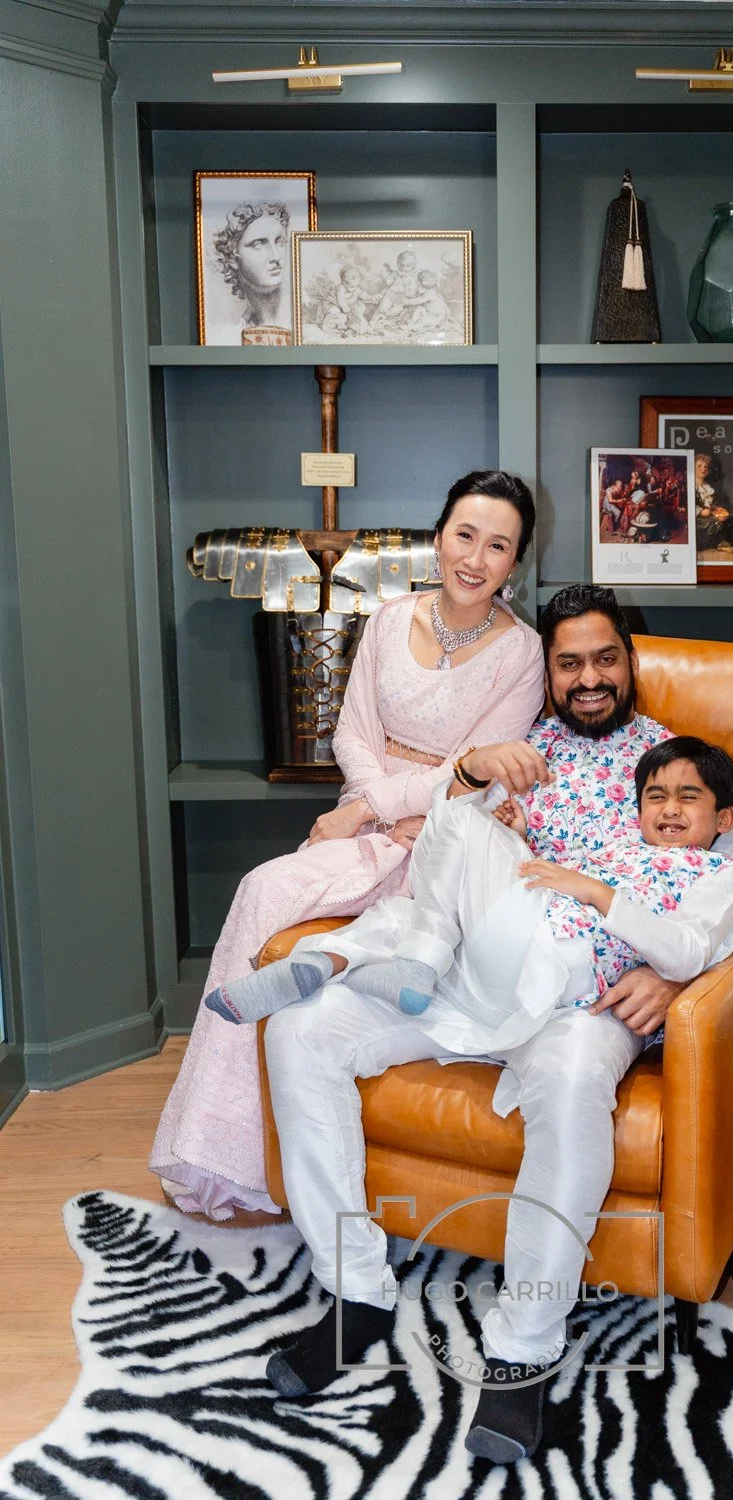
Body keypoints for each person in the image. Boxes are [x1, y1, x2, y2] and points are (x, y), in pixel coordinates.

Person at [260, 584, 733, 1463]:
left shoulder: (680, 767)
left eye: (604, 658)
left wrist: (668, 973)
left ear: (628, 663)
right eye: (568, 662)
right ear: (550, 672)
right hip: (473, 976)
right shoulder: (513, 753)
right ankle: (357, 1292)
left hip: (589, 996)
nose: (588, 678)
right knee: (298, 1032)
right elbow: (449, 856)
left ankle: (525, 1348)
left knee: (572, 1084)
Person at [150, 471, 545, 1221]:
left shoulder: (521, 653)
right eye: (465, 535)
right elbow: (351, 733)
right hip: (368, 822)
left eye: (498, 546)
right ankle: (224, 1154)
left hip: (446, 839)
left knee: (384, 928)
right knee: (264, 889)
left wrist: (403, 806)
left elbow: (479, 769)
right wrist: (369, 806)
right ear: (438, 536)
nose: (475, 557)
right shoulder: (391, 619)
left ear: (514, 564)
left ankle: (345, 985)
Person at [203, 737, 733, 1061]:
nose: (670, 809)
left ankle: (406, 964)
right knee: (410, 902)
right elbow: (556, 882)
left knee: (457, 822)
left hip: (552, 968)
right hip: (515, 945)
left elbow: (683, 952)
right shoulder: (618, 847)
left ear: (724, 818)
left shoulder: (720, 872)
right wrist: (517, 840)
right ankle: (326, 962)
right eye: (656, 797)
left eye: (689, 798)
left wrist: (597, 892)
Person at [214, 202, 292, 333]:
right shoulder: (238, 328)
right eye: (258, 245)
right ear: (232, 256)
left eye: (279, 242)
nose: (276, 256)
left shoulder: (303, 318)